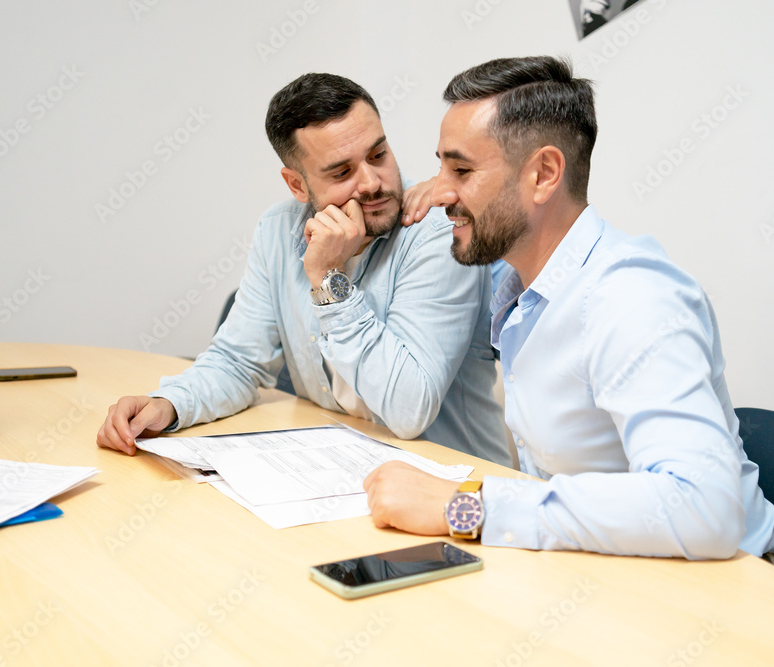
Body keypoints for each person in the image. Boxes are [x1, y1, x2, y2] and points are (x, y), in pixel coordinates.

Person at [364, 56, 774, 560]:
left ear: (543, 175)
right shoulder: (522, 285)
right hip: (607, 564)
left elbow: (703, 509)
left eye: (461, 169)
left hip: (726, 586)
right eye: (440, 167)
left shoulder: (631, 298)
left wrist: (465, 507)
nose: (437, 193)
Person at [97, 73, 510, 466]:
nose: (372, 182)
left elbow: (408, 410)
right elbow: (238, 362)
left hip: (455, 486)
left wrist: (329, 280)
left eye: (378, 155)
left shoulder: (438, 232)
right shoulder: (279, 231)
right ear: (297, 185)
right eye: (342, 172)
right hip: (345, 472)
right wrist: (169, 405)